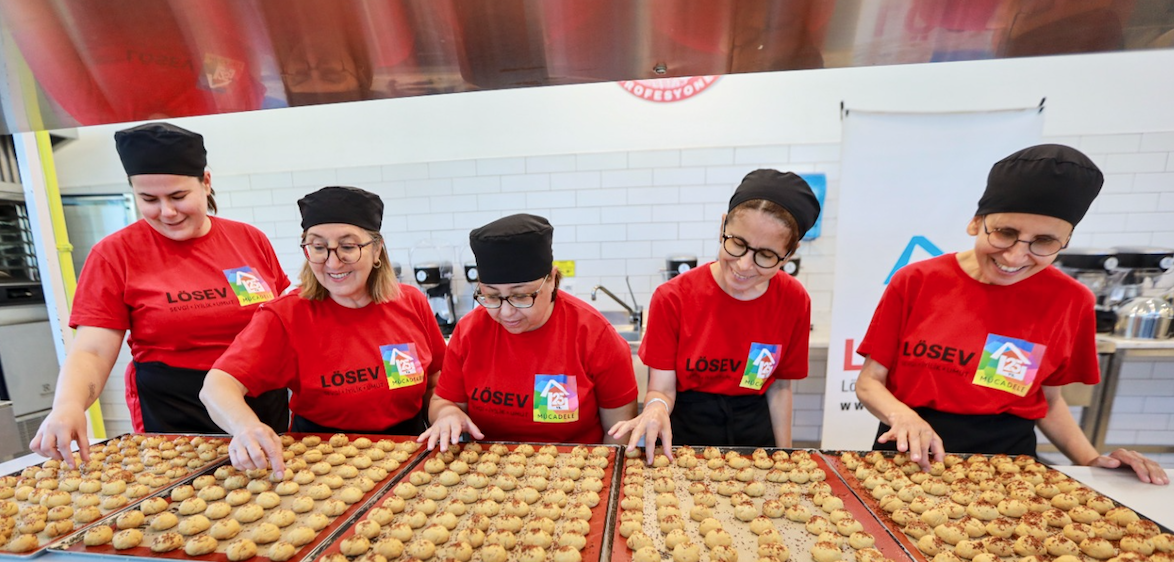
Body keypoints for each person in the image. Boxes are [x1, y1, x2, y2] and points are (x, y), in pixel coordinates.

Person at [855, 144, 1168, 485]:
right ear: (977, 222)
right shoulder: (917, 281)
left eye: (1044, 241)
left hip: (1007, 466)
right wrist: (902, 415)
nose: (1017, 256)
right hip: (909, 453)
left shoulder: (1070, 300)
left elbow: (1047, 401)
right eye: (1005, 233)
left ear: (1066, 241)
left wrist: (1093, 460)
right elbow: (871, 382)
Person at [31, 122, 289, 466]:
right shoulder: (115, 255)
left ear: (206, 183)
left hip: (259, 399)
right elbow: (92, 350)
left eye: (179, 196)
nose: (167, 212)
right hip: (174, 410)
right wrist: (68, 405)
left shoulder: (248, 240)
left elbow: (284, 323)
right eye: (149, 200)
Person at [202, 186, 445, 474]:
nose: (332, 262)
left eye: (348, 246)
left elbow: (435, 382)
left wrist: (444, 414)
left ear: (377, 249)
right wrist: (245, 426)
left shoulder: (410, 302)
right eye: (318, 247)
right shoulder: (285, 315)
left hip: (409, 452)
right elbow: (216, 387)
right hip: (319, 461)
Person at [610, 169, 820, 458]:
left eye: (766, 255)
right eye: (737, 244)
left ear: (790, 253)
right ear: (723, 225)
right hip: (685, 433)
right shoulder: (673, 298)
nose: (745, 265)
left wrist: (785, 455)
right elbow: (662, 390)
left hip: (755, 434)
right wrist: (655, 408)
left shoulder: (794, 300)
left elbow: (779, 387)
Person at [419, 213, 638, 449]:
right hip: (487, 473)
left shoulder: (594, 335)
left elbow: (619, 433)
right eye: (491, 296)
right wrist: (447, 414)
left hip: (576, 473)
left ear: (552, 280)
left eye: (521, 296)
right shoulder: (469, 332)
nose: (505, 312)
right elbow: (443, 401)